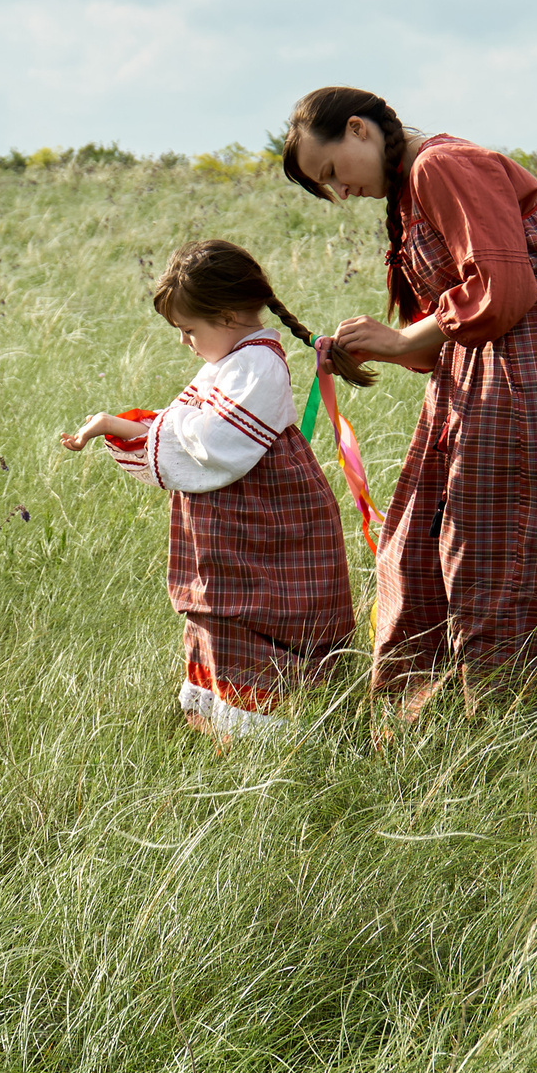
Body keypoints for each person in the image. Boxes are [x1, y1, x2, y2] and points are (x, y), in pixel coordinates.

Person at [281, 87, 537, 712]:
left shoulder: (440, 165)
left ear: (359, 130)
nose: (341, 193)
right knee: (448, 539)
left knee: (499, 538)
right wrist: (383, 347)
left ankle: (511, 705)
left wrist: (399, 337)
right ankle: (466, 706)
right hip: (491, 369)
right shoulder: (410, 190)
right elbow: (457, 323)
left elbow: (504, 289)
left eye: (332, 173)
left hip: (531, 365)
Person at [59, 240, 375, 738]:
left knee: (257, 611)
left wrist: (147, 424)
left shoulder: (257, 365)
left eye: (189, 330)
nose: (185, 342)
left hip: (263, 522)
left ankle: (265, 738)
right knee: (222, 612)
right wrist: (112, 424)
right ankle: (228, 727)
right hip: (235, 523)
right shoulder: (231, 361)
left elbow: (216, 442)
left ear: (226, 315)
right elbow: (190, 429)